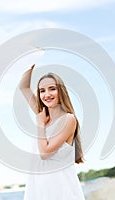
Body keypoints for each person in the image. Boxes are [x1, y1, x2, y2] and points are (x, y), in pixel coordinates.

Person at [19, 64, 85, 200]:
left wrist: (40, 125)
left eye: (52, 89)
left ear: (61, 91)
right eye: (42, 91)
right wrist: (30, 61)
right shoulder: (42, 115)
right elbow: (23, 87)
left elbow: (45, 153)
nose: (47, 94)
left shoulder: (68, 119)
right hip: (38, 186)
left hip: (60, 189)